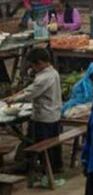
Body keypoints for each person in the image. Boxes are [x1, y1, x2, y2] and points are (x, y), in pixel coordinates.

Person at [7, 49, 63, 186]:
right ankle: (53, 165)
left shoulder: (44, 78)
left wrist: (13, 99)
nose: (32, 68)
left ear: (40, 63)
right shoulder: (53, 72)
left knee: (39, 141)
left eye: (33, 65)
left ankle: (41, 167)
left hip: (44, 117)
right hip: (53, 114)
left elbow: (30, 93)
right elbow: (30, 89)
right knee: (45, 141)